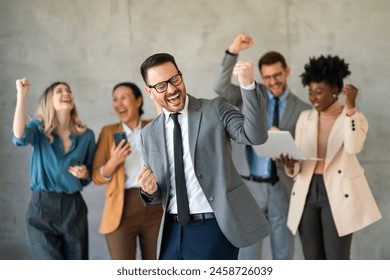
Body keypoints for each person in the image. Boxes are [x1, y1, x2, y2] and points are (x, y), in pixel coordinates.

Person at [136, 52, 271, 260]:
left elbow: (256, 135)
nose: (172, 89)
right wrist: (149, 191)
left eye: (174, 79)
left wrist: (248, 86)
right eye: (161, 86)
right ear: (149, 91)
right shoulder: (148, 134)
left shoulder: (215, 109)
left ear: (181, 75)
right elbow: (158, 193)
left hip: (213, 226)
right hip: (171, 230)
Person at [213, 33, 311, 260]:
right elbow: (219, 86)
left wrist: (290, 151)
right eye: (267, 77)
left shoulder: (304, 109)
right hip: (250, 187)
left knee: (284, 253)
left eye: (277, 75)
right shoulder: (249, 95)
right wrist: (232, 51)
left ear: (286, 71)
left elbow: (307, 149)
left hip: (282, 188)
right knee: (247, 255)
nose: (273, 81)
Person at [276, 55, 382, 259]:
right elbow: (300, 160)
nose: (313, 98)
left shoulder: (353, 118)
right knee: (313, 259)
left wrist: (351, 108)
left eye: (319, 91)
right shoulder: (304, 118)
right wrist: (291, 166)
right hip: (306, 192)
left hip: (337, 191)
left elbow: (353, 147)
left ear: (335, 92)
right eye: (310, 92)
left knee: (336, 259)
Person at [12, 78, 96, 259]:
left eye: (68, 90)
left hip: (73, 208)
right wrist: (22, 95)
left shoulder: (87, 136)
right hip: (42, 207)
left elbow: (90, 173)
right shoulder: (38, 130)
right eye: (59, 91)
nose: (66, 93)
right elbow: (19, 136)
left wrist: (84, 173)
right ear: (49, 100)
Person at [92, 82, 163, 260]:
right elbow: (96, 176)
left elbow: (167, 122)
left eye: (124, 97)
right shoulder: (108, 132)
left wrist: (155, 95)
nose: (118, 103)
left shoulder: (153, 126)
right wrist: (114, 161)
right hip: (121, 210)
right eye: (115, 99)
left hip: (155, 207)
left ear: (138, 101)